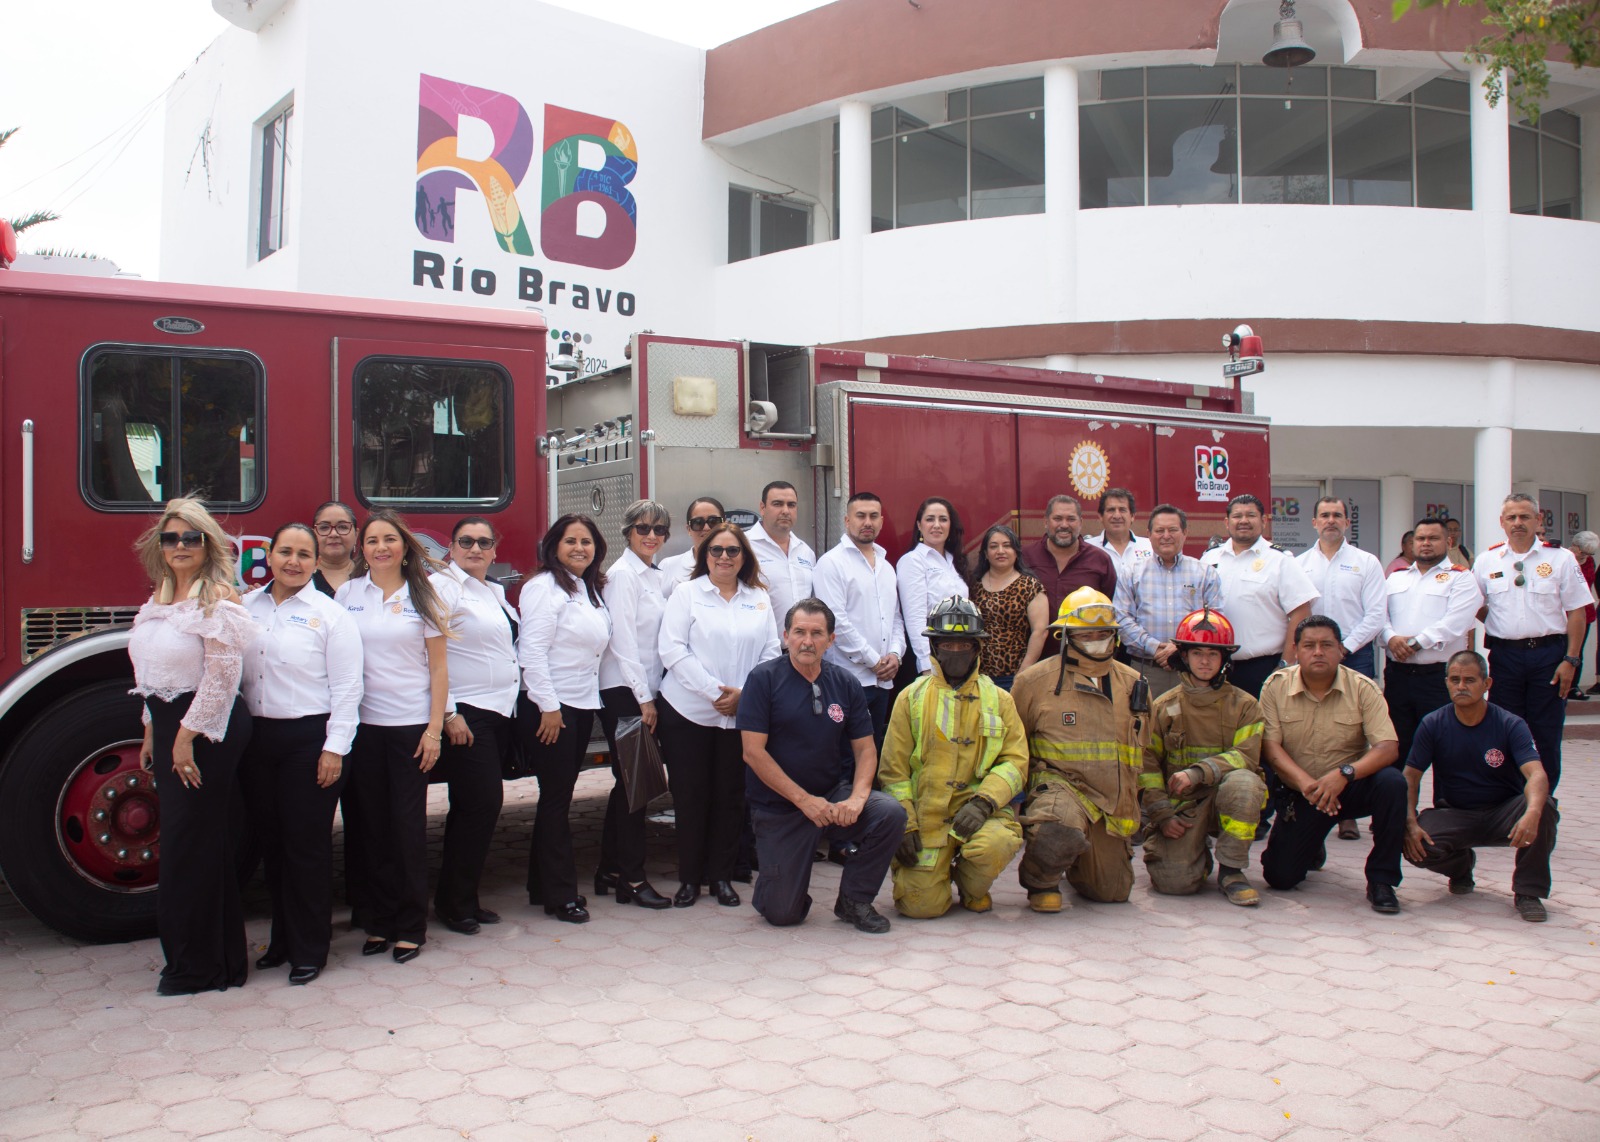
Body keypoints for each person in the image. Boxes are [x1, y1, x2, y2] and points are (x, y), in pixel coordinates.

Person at [129, 497, 259, 995]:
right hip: (170, 728)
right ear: (160, 547)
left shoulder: (219, 600)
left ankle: (199, 966)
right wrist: (150, 730)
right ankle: (212, 959)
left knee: (190, 846)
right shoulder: (158, 601)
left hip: (209, 730)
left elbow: (223, 679)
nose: (179, 546)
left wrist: (184, 738)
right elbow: (152, 677)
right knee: (194, 844)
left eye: (190, 538)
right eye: (171, 538)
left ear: (207, 545)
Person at [239, 523, 362, 984]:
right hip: (258, 742)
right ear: (268, 556)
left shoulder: (330, 615)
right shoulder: (245, 608)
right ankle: (282, 941)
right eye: (285, 552)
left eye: (304, 554)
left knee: (305, 848)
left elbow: (349, 689)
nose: (294, 561)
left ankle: (311, 948)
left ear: (315, 562)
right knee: (272, 847)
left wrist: (335, 749)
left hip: (310, 742)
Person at [739, 598, 905, 932]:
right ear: (785, 636)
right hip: (781, 807)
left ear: (831, 640)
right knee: (783, 914)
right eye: (799, 632)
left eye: (817, 633)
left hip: (831, 795)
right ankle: (777, 885)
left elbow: (866, 750)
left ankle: (854, 901)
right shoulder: (763, 679)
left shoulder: (845, 682)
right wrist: (804, 801)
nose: (807, 640)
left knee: (889, 813)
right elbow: (753, 753)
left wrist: (857, 798)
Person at [338, 510, 458, 962]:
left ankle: (411, 926)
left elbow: (440, 669)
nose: (381, 547)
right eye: (372, 540)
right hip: (362, 728)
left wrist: (434, 730)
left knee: (406, 830)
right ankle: (378, 921)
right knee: (370, 829)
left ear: (406, 547)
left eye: (390, 539)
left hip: (410, 728)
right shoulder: (347, 594)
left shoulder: (424, 595)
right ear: (361, 549)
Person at [878, 597, 1028, 917]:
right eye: (948, 643)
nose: (955, 651)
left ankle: (971, 884)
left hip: (979, 814)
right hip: (926, 819)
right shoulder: (911, 697)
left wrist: (985, 801)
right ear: (933, 646)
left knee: (996, 844)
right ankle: (938, 873)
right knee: (920, 908)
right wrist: (904, 825)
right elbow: (893, 771)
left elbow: (1016, 762)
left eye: (964, 644)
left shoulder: (999, 699)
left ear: (977, 647)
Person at [657, 522, 780, 908]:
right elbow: (673, 651)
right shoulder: (686, 594)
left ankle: (722, 879)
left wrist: (745, 696)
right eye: (716, 550)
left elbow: (772, 652)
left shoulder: (759, 598)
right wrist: (716, 693)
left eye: (732, 551)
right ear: (703, 555)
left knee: (731, 798)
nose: (724, 557)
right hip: (688, 712)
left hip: (740, 714)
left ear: (744, 557)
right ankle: (690, 880)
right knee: (691, 797)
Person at [1011, 588, 1149, 912]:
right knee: (1058, 829)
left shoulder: (1134, 684)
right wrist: (1014, 804)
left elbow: (1145, 750)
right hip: (1061, 790)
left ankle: (1077, 862)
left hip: (1111, 802)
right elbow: (1014, 747)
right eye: (1086, 634)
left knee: (1112, 892)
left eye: (1103, 633)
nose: (1096, 639)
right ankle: (1041, 880)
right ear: (1065, 635)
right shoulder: (1033, 682)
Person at [1258, 617, 1404, 913]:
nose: (1318, 652)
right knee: (1280, 877)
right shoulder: (1275, 686)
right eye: (1309, 646)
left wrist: (1345, 774)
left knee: (1392, 783)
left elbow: (1388, 748)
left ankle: (1381, 880)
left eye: (1326, 645)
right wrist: (1307, 784)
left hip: (1350, 786)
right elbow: (1270, 749)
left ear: (1340, 650)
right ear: (1296, 650)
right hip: (1304, 791)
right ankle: (1312, 843)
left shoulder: (1362, 687)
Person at [1403, 651, 1558, 923]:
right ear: (1447, 682)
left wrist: (1532, 813)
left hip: (1503, 813)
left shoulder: (1510, 724)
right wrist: (1410, 820)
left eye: (1470, 680)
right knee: (1413, 843)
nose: (1461, 686)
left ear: (1487, 685)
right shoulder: (1433, 723)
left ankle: (1528, 892)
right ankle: (1461, 868)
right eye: (1455, 679)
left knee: (1543, 805)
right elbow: (1410, 777)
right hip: (1455, 813)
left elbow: (1537, 775)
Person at [518, 514, 612, 924]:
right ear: (554, 546)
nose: (579, 548)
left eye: (587, 542)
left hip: (577, 704)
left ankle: (541, 885)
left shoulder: (586, 589)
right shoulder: (544, 588)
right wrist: (549, 707)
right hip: (551, 710)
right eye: (571, 541)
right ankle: (561, 895)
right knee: (557, 801)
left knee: (556, 798)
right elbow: (531, 651)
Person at [1139, 608, 1266, 906]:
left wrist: (1197, 773)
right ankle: (1195, 855)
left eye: (1213, 653)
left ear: (1225, 659)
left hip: (1228, 796)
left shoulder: (1245, 706)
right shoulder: (1163, 707)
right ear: (1184, 656)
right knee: (1173, 883)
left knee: (1245, 784)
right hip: (1184, 806)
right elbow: (1147, 767)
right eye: (1197, 653)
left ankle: (1232, 870)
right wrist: (1162, 814)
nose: (1205, 661)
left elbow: (1245, 757)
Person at [434, 516, 519, 934]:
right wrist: (448, 713)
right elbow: (428, 655)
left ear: (495, 552)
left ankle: (460, 897)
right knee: (481, 804)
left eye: (484, 542)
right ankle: (455, 903)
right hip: (467, 715)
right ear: (450, 547)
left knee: (473, 809)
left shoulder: (494, 592)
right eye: (466, 541)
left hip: (499, 712)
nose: (475, 548)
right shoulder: (442, 589)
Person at [1473, 493, 1590, 792]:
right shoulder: (1487, 560)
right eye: (1511, 518)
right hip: (1504, 657)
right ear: (1502, 523)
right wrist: (1500, 623)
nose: (1518, 523)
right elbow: (1473, 604)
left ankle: (1543, 806)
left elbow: (1577, 611)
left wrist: (1572, 659)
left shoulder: (1560, 558)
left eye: (1525, 517)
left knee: (1546, 733)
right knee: (1503, 731)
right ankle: (1508, 802)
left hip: (1549, 657)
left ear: (1538, 520)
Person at [595, 500, 674, 909]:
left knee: (628, 786)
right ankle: (632, 878)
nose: (651, 536)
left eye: (659, 530)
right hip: (625, 692)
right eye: (643, 528)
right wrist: (644, 699)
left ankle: (609, 869)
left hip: (642, 689)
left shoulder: (654, 576)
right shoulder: (624, 576)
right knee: (638, 786)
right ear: (627, 532)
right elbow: (622, 641)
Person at [1296, 496, 1388, 842]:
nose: (1331, 520)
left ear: (1347, 522)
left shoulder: (1366, 563)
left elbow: (1376, 614)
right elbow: (1295, 612)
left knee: (1355, 734)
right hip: (1310, 661)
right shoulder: (1299, 564)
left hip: (1355, 655)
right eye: (1324, 515)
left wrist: (1344, 648)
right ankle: (1315, 799)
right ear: (1314, 522)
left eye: (1337, 515)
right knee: (1314, 730)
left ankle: (1348, 812)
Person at [1382, 517, 1483, 769]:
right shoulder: (1396, 577)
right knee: (1397, 748)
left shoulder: (1461, 578)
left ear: (1448, 542)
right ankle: (1400, 808)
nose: (1426, 543)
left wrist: (1414, 644)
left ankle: (1446, 808)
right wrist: (1391, 638)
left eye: (1433, 538)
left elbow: (1455, 623)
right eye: (1420, 538)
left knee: (1446, 750)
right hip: (1398, 676)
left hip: (1438, 678)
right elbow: (1378, 616)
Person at [1200, 494, 1319, 699]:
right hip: (1213, 666)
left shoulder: (1280, 560)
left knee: (1261, 729)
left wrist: (1286, 664)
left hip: (1262, 668)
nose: (1244, 521)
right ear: (1227, 522)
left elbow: (1301, 612)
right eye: (1237, 516)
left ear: (1263, 521)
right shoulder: (1210, 558)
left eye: (1251, 515)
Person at [812, 492, 905, 748]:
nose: (867, 522)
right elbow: (835, 622)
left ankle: (866, 790)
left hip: (883, 680)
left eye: (873, 516)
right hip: (848, 679)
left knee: (873, 749)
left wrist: (895, 655)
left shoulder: (886, 567)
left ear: (882, 521)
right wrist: (875, 661)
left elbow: (895, 617)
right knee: (843, 756)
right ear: (846, 520)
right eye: (860, 516)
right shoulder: (831, 563)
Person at [1114, 504, 1223, 699]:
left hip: (1192, 670)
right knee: (1147, 725)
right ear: (1149, 534)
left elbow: (1215, 619)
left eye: (1173, 530)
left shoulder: (1205, 573)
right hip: (1146, 669)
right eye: (1159, 530)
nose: (1166, 535)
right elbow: (1122, 619)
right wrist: (1154, 647)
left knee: (1194, 727)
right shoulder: (1132, 573)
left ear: (1185, 533)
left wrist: (1180, 647)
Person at [898, 497, 972, 676]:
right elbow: (914, 618)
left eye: (943, 519)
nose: (937, 525)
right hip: (931, 655)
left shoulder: (955, 561)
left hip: (958, 652)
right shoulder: (913, 561)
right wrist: (926, 664)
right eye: (930, 519)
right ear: (919, 525)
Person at [970, 525, 1047, 690]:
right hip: (976, 677)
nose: (1000, 551)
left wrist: (1022, 675)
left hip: (1014, 676)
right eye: (993, 546)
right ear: (985, 553)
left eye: (1007, 545)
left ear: (1016, 551)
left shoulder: (1030, 585)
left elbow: (1040, 632)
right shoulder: (973, 585)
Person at [1021, 494, 1118, 620]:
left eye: (1071, 519)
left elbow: (1109, 606)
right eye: (1057, 519)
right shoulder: (1025, 556)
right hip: (1036, 640)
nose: (1064, 525)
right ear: (1046, 522)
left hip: (1083, 639)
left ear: (1081, 523)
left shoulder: (1100, 560)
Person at [747, 481, 816, 639]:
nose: (785, 511)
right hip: (761, 651)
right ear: (762, 508)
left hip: (800, 651)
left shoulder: (805, 552)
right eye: (777, 504)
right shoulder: (744, 548)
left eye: (791, 505)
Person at [1086, 487, 1154, 582]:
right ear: (1100, 516)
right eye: (1111, 510)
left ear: (1132, 516)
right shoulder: (1086, 549)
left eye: (1122, 510)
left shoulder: (1150, 546)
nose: (1117, 516)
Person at [659, 496, 724, 589]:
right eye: (698, 522)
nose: (706, 528)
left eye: (713, 521)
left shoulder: (736, 565)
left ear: (725, 525)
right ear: (689, 529)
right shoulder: (669, 566)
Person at [1565, 529, 1597, 701]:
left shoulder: (1589, 561)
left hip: (1585, 612)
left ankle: (1573, 686)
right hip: (1565, 613)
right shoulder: (1564, 558)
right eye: (1583, 552)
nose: (1585, 556)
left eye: (1589, 553)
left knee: (1578, 650)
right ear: (1575, 546)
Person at [311, 501, 360, 596]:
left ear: (356, 535)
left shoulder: (367, 574)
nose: (333, 534)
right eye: (324, 527)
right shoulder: (302, 577)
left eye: (342, 527)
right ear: (313, 535)